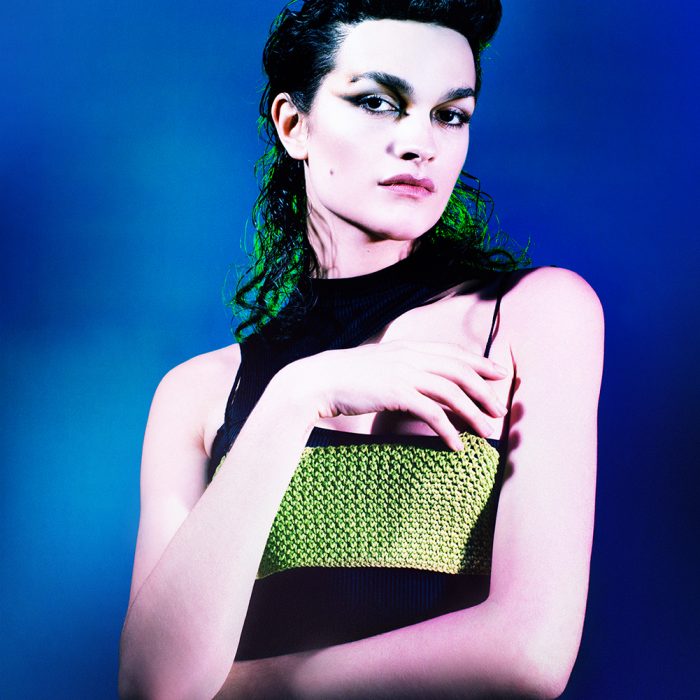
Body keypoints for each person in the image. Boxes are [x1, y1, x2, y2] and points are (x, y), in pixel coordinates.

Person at [118, 1, 604, 698]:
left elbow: (529, 653)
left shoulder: (531, 314)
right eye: (378, 103)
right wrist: (297, 397)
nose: (420, 143)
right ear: (294, 124)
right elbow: (151, 684)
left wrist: (251, 688)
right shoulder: (196, 393)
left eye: (450, 115)